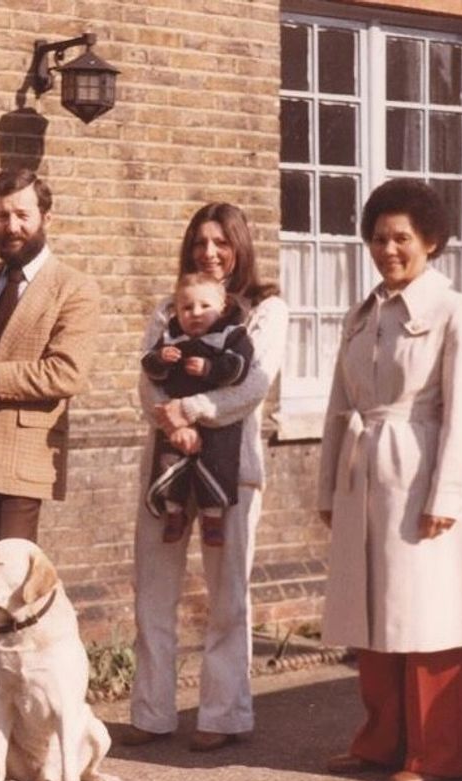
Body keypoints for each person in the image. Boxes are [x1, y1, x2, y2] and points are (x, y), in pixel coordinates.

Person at [317, 179, 462, 781]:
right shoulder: (362, 311)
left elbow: (461, 413)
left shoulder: (456, 310)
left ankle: (435, 754)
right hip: (362, 474)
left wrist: (447, 496)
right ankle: (380, 741)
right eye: (377, 237)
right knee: (372, 611)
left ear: (430, 241)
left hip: (419, 473)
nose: (387, 248)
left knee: (427, 616)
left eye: (401, 237)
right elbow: (338, 406)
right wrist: (326, 489)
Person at [124, 203, 289, 752]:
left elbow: (250, 388)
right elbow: (148, 380)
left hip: (231, 470)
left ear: (240, 246)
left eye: (221, 242)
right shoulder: (169, 309)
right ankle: (151, 712)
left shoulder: (265, 310)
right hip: (167, 468)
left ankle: (222, 714)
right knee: (152, 588)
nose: (210, 253)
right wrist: (168, 419)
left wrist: (189, 411)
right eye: (200, 243)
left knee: (227, 594)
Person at [0, 168, 100, 751]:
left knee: (14, 603)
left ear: (45, 219)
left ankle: (31, 739)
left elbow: (67, 371)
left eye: (21, 216)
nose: (9, 226)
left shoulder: (73, 288)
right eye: (1, 216)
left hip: (19, 462)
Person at [140, 272, 254, 547]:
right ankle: (173, 512)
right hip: (175, 418)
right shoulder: (171, 335)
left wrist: (210, 369)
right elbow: (148, 366)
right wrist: (160, 360)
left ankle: (212, 517)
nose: (195, 313)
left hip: (215, 418)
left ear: (223, 307)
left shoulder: (231, 334)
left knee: (217, 464)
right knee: (169, 460)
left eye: (205, 306)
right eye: (186, 308)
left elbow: (238, 367)